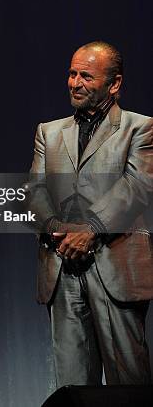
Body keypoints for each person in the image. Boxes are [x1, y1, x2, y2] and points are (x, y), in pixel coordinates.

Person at [28, 41, 153, 387]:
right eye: (71, 73)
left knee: (129, 381)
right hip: (62, 266)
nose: (75, 82)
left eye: (86, 75)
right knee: (73, 386)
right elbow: (33, 192)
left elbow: (137, 186)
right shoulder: (48, 132)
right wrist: (56, 229)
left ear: (114, 84)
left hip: (114, 264)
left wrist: (92, 228)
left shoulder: (139, 128)